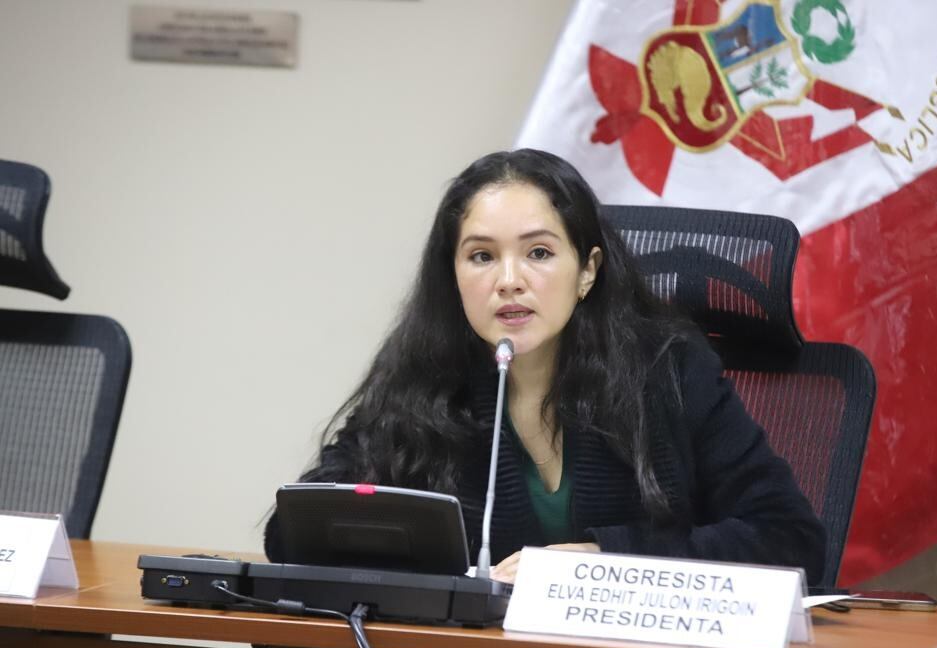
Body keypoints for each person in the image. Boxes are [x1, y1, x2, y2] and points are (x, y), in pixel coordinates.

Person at [264, 149, 826, 585]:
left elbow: (789, 539)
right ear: (454, 275)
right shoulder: (422, 379)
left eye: (538, 253)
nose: (509, 279)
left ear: (587, 271)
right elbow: (294, 533)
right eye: (482, 256)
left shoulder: (667, 370)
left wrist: (605, 561)